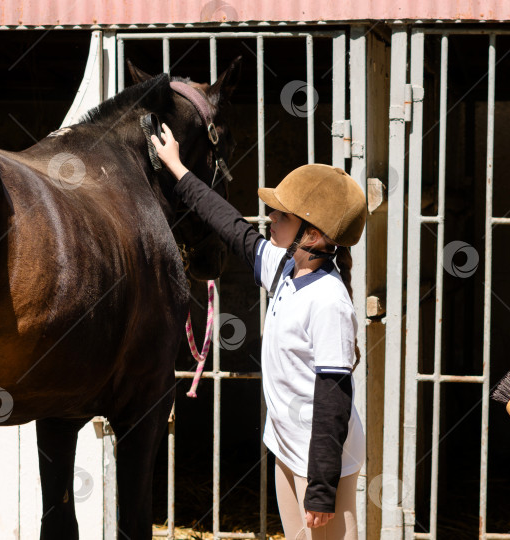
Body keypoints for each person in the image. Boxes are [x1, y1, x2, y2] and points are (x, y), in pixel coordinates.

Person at [151, 124, 366, 539]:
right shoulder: (287, 266)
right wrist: (178, 170)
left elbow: (334, 399)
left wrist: (321, 490)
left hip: (320, 458)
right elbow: (231, 227)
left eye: (281, 215)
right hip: (289, 444)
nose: (269, 217)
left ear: (314, 235)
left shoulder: (329, 301)